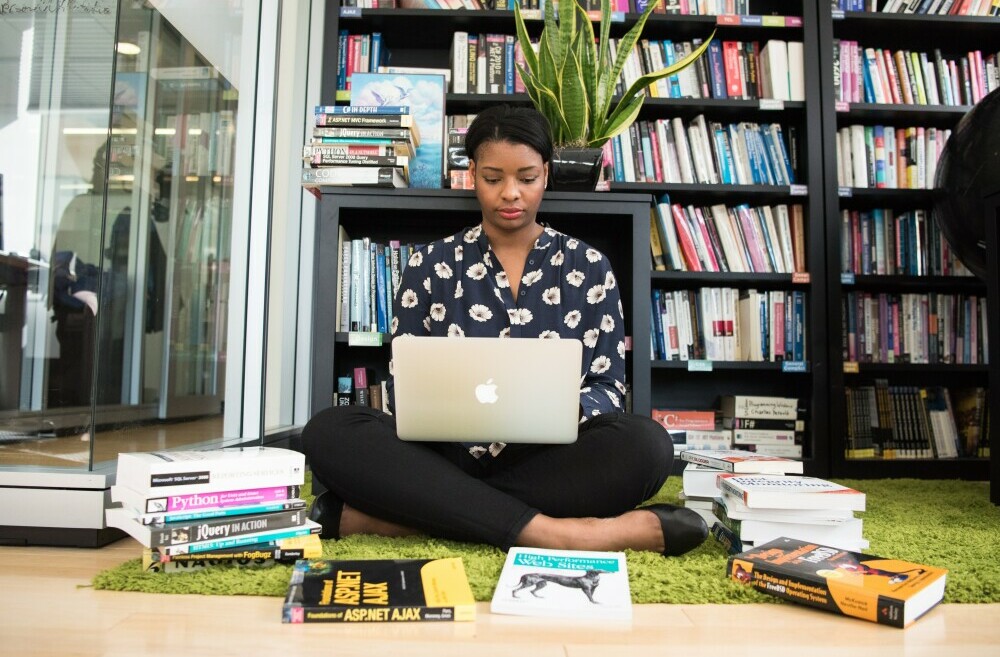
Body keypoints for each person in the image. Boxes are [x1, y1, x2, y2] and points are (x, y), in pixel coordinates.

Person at [302, 105, 708, 556]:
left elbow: (609, 386)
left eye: (527, 178)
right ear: (471, 173)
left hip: (548, 459)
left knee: (648, 446)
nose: (510, 194)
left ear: (547, 174)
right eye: (493, 178)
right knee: (329, 430)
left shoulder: (590, 266)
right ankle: (569, 534)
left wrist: (557, 411)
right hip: (441, 455)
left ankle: (409, 517)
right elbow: (405, 386)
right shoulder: (429, 264)